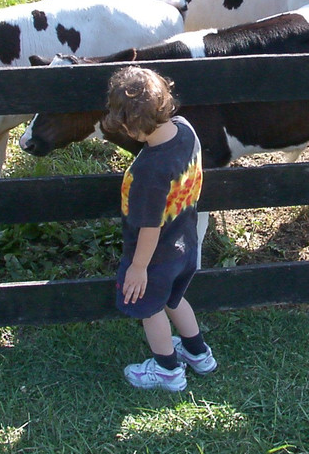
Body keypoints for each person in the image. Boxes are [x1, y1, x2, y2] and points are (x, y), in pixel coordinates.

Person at [104, 65, 217, 392]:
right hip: (185, 244)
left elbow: (149, 228)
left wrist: (138, 269)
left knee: (150, 309)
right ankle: (199, 353)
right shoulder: (185, 130)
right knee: (175, 299)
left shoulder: (150, 171)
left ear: (132, 126)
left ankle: (167, 370)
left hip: (155, 257)